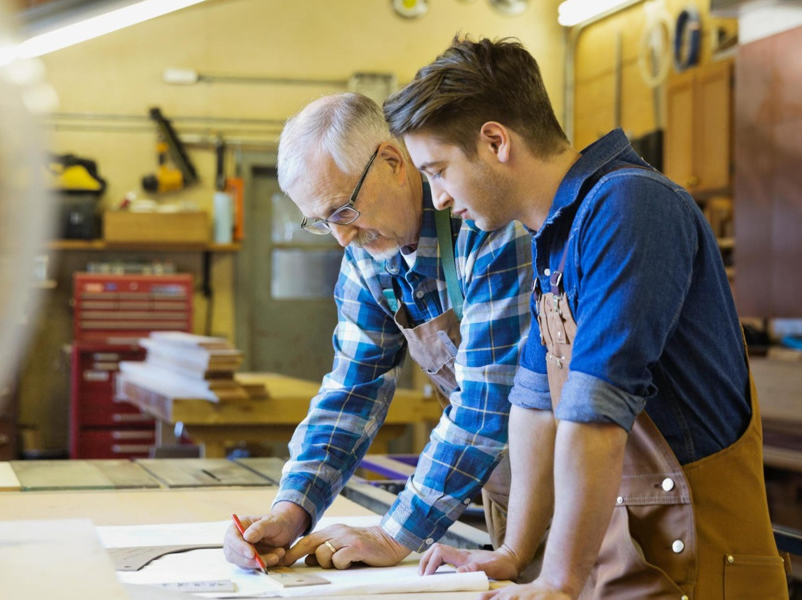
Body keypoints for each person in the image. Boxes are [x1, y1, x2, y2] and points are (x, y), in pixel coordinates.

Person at [383, 37, 789, 599]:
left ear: (496, 141)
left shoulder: (630, 207)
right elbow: (532, 406)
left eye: (439, 171)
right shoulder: (555, 235)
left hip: (702, 568)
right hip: (640, 560)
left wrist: (558, 580)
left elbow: (594, 410)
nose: (440, 198)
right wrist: (515, 553)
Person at [223, 92, 532, 571]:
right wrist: (293, 508)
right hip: (506, 491)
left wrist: (393, 535)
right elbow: (353, 390)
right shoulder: (368, 258)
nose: (343, 237)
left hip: (594, 489)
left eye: (344, 210)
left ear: (391, 161)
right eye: (323, 223)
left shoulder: (486, 226)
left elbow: (486, 401)